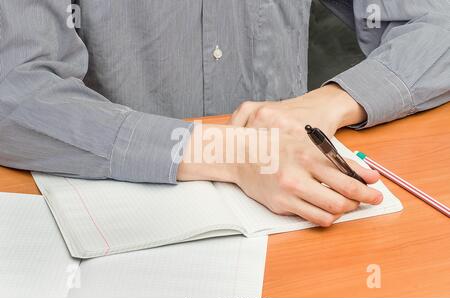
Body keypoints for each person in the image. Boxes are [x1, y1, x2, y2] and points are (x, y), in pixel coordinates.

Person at [0, 1, 448, 227]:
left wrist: (328, 102)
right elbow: (15, 93)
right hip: (119, 210)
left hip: (289, 209)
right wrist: (232, 151)